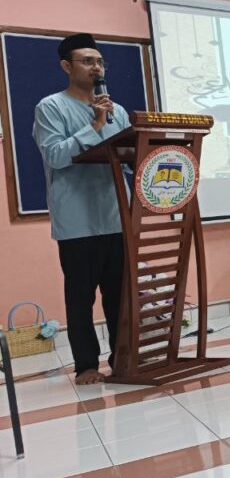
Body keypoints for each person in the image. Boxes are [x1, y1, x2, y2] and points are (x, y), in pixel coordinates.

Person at [33, 33, 131, 385]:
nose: (96, 68)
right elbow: (55, 156)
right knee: (80, 299)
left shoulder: (118, 110)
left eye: (99, 61)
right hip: (78, 223)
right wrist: (95, 125)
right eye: (87, 61)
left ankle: (122, 358)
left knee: (119, 297)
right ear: (66, 66)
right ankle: (86, 364)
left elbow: (127, 158)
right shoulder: (51, 107)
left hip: (117, 217)